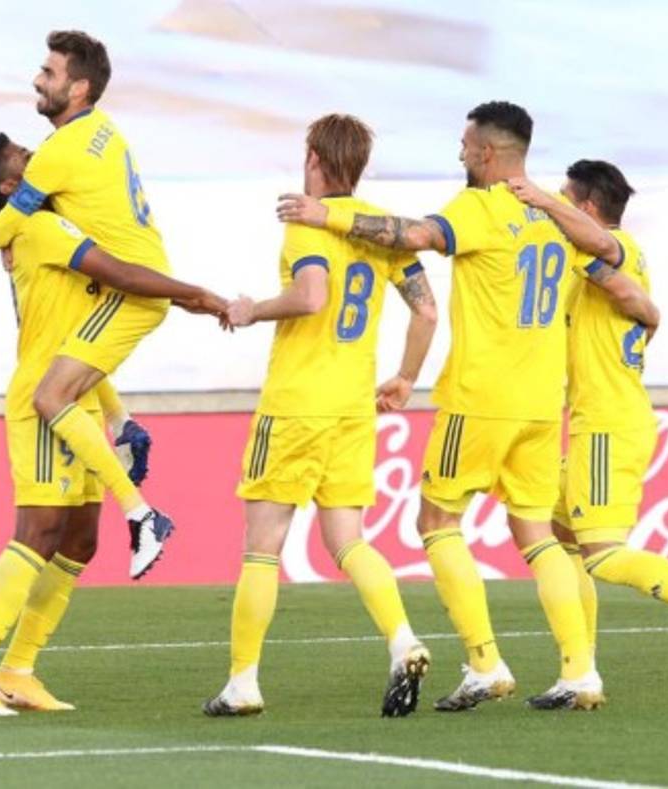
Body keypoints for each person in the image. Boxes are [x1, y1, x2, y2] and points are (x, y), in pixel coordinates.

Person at [276, 101, 652, 710]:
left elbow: (416, 236)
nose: (458, 153)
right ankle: (580, 671)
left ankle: (484, 663)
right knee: (537, 534)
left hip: (480, 398)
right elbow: (611, 258)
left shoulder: (478, 207)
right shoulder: (554, 215)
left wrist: (331, 218)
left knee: (437, 522)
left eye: (463, 144)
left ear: (485, 153)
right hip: (540, 402)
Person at [0, 133, 227, 716]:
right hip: (43, 401)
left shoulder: (41, 226)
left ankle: (18, 669)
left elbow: (79, 337)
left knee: (78, 540)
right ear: (10, 188)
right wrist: (194, 294)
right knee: (39, 532)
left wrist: (117, 414)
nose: (40, 160)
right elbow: (118, 272)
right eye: (27, 159)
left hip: (76, 393)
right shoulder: (40, 230)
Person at [202, 115, 438, 718]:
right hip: (353, 408)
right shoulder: (377, 230)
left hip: (296, 406)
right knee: (349, 541)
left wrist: (253, 310)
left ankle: (243, 683)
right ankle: (403, 640)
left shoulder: (306, 223)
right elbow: (428, 312)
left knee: (262, 547)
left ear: (312, 155)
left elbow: (311, 297)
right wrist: (407, 377)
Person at [508, 162, 668, 681]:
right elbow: (639, 307)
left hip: (607, 424)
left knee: (603, 556)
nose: (556, 203)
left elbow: (631, 293)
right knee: (554, 534)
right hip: (599, 418)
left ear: (585, 209)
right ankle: (580, 671)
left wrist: (540, 201)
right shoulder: (592, 268)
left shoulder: (615, 248)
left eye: (565, 198)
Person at [0, 31, 180, 578]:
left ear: (79, 86)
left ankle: (141, 513)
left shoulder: (54, 160)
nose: (38, 80)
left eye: (48, 72)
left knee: (51, 394)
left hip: (134, 284)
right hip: (140, 276)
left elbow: (3, 226)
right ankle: (125, 427)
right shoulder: (104, 132)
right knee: (70, 357)